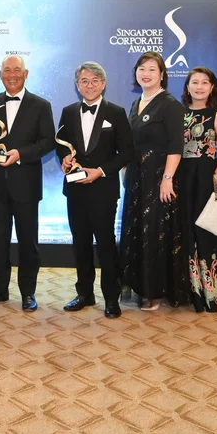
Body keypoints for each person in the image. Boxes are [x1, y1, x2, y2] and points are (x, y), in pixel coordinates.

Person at [0, 55, 55, 312]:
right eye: (7, 70)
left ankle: (28, 294)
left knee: (28, 243)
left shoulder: (41, 105)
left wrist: (20, 154)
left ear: (26, 73)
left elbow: (47, 142)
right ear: (0, 74)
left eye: (17, 70)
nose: (12, 74)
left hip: (27, 186)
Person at [55, 62, 133, 319]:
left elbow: (128, 152)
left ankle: (111, 298)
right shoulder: (67, 112)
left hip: (104, 189)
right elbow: (62, 146)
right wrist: (65, 159)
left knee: (106, 244)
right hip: (75, 189)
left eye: (94, 80)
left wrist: (99, 170)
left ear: (103, 83)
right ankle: (84, 294)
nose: (89, 85)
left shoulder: (117, 112)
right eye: (84, 81)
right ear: (77, 85)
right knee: (80, 244)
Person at [119, 51, 189, 311]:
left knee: (155, 233)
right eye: (141, 68)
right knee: (138, 230)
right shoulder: (136, 103)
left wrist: (167, 178)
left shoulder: (170, 104)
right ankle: (141, 285)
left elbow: (176, 145)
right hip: (137, 178)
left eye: (152, 69)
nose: (145, 73)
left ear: (162, 75)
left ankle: (156, 291)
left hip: (160, 179)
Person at [180, 67, 217, 312]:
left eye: (205, 82)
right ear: (187, 87)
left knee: (209, 233)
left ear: (212, 87)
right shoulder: (178, 114)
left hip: (208, 181)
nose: (199, 86)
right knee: (186, 234)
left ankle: (215, 294)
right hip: (183, 179)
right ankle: (192, 293)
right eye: (195, 82)